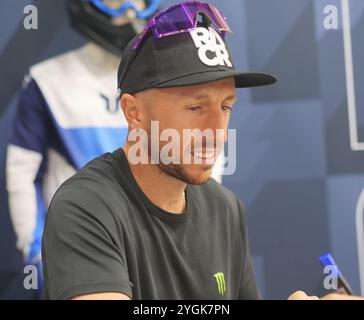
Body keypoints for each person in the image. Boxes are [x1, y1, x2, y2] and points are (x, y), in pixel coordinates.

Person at [43, 1, 359, 300]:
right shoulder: (85, 207)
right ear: (134, 112)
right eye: (196, 107)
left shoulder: (225, 208)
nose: (217, 132)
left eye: (226, 107)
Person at [6, 0, 160, 295]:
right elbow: (21, 175)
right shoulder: (48, 81)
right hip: (78, 254)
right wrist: (38, 253)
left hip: (156, 257)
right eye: (115, 0)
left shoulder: (172, 80)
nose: (129, 9)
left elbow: (198, 165)